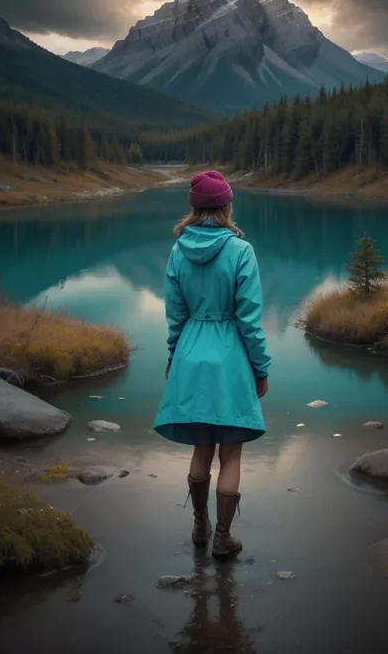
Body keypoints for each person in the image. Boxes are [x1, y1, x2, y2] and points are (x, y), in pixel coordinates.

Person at [154, 171, 271, 559]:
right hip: (231, 357)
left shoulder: (177, 251)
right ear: (226, 206)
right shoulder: (241, 251)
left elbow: (175, 315)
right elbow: (250, 320)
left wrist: (174, 356)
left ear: (194, 208)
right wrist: (261, 368)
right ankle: (223, 537)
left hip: (190, 353)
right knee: (232, 452)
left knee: (201, 446)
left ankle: (199, 525)